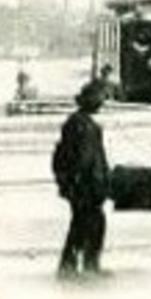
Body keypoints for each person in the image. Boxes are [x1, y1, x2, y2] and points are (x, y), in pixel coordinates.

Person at [54, 81, 111, 279]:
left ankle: (76, 265)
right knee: (89, 224)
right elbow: (83, 159)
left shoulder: (80, 122)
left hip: (86, 184)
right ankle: (83, 265)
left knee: (84, 224)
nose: (102, 101)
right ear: (87, 100)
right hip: (85, 185)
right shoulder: (82, 125)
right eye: (98, 97)